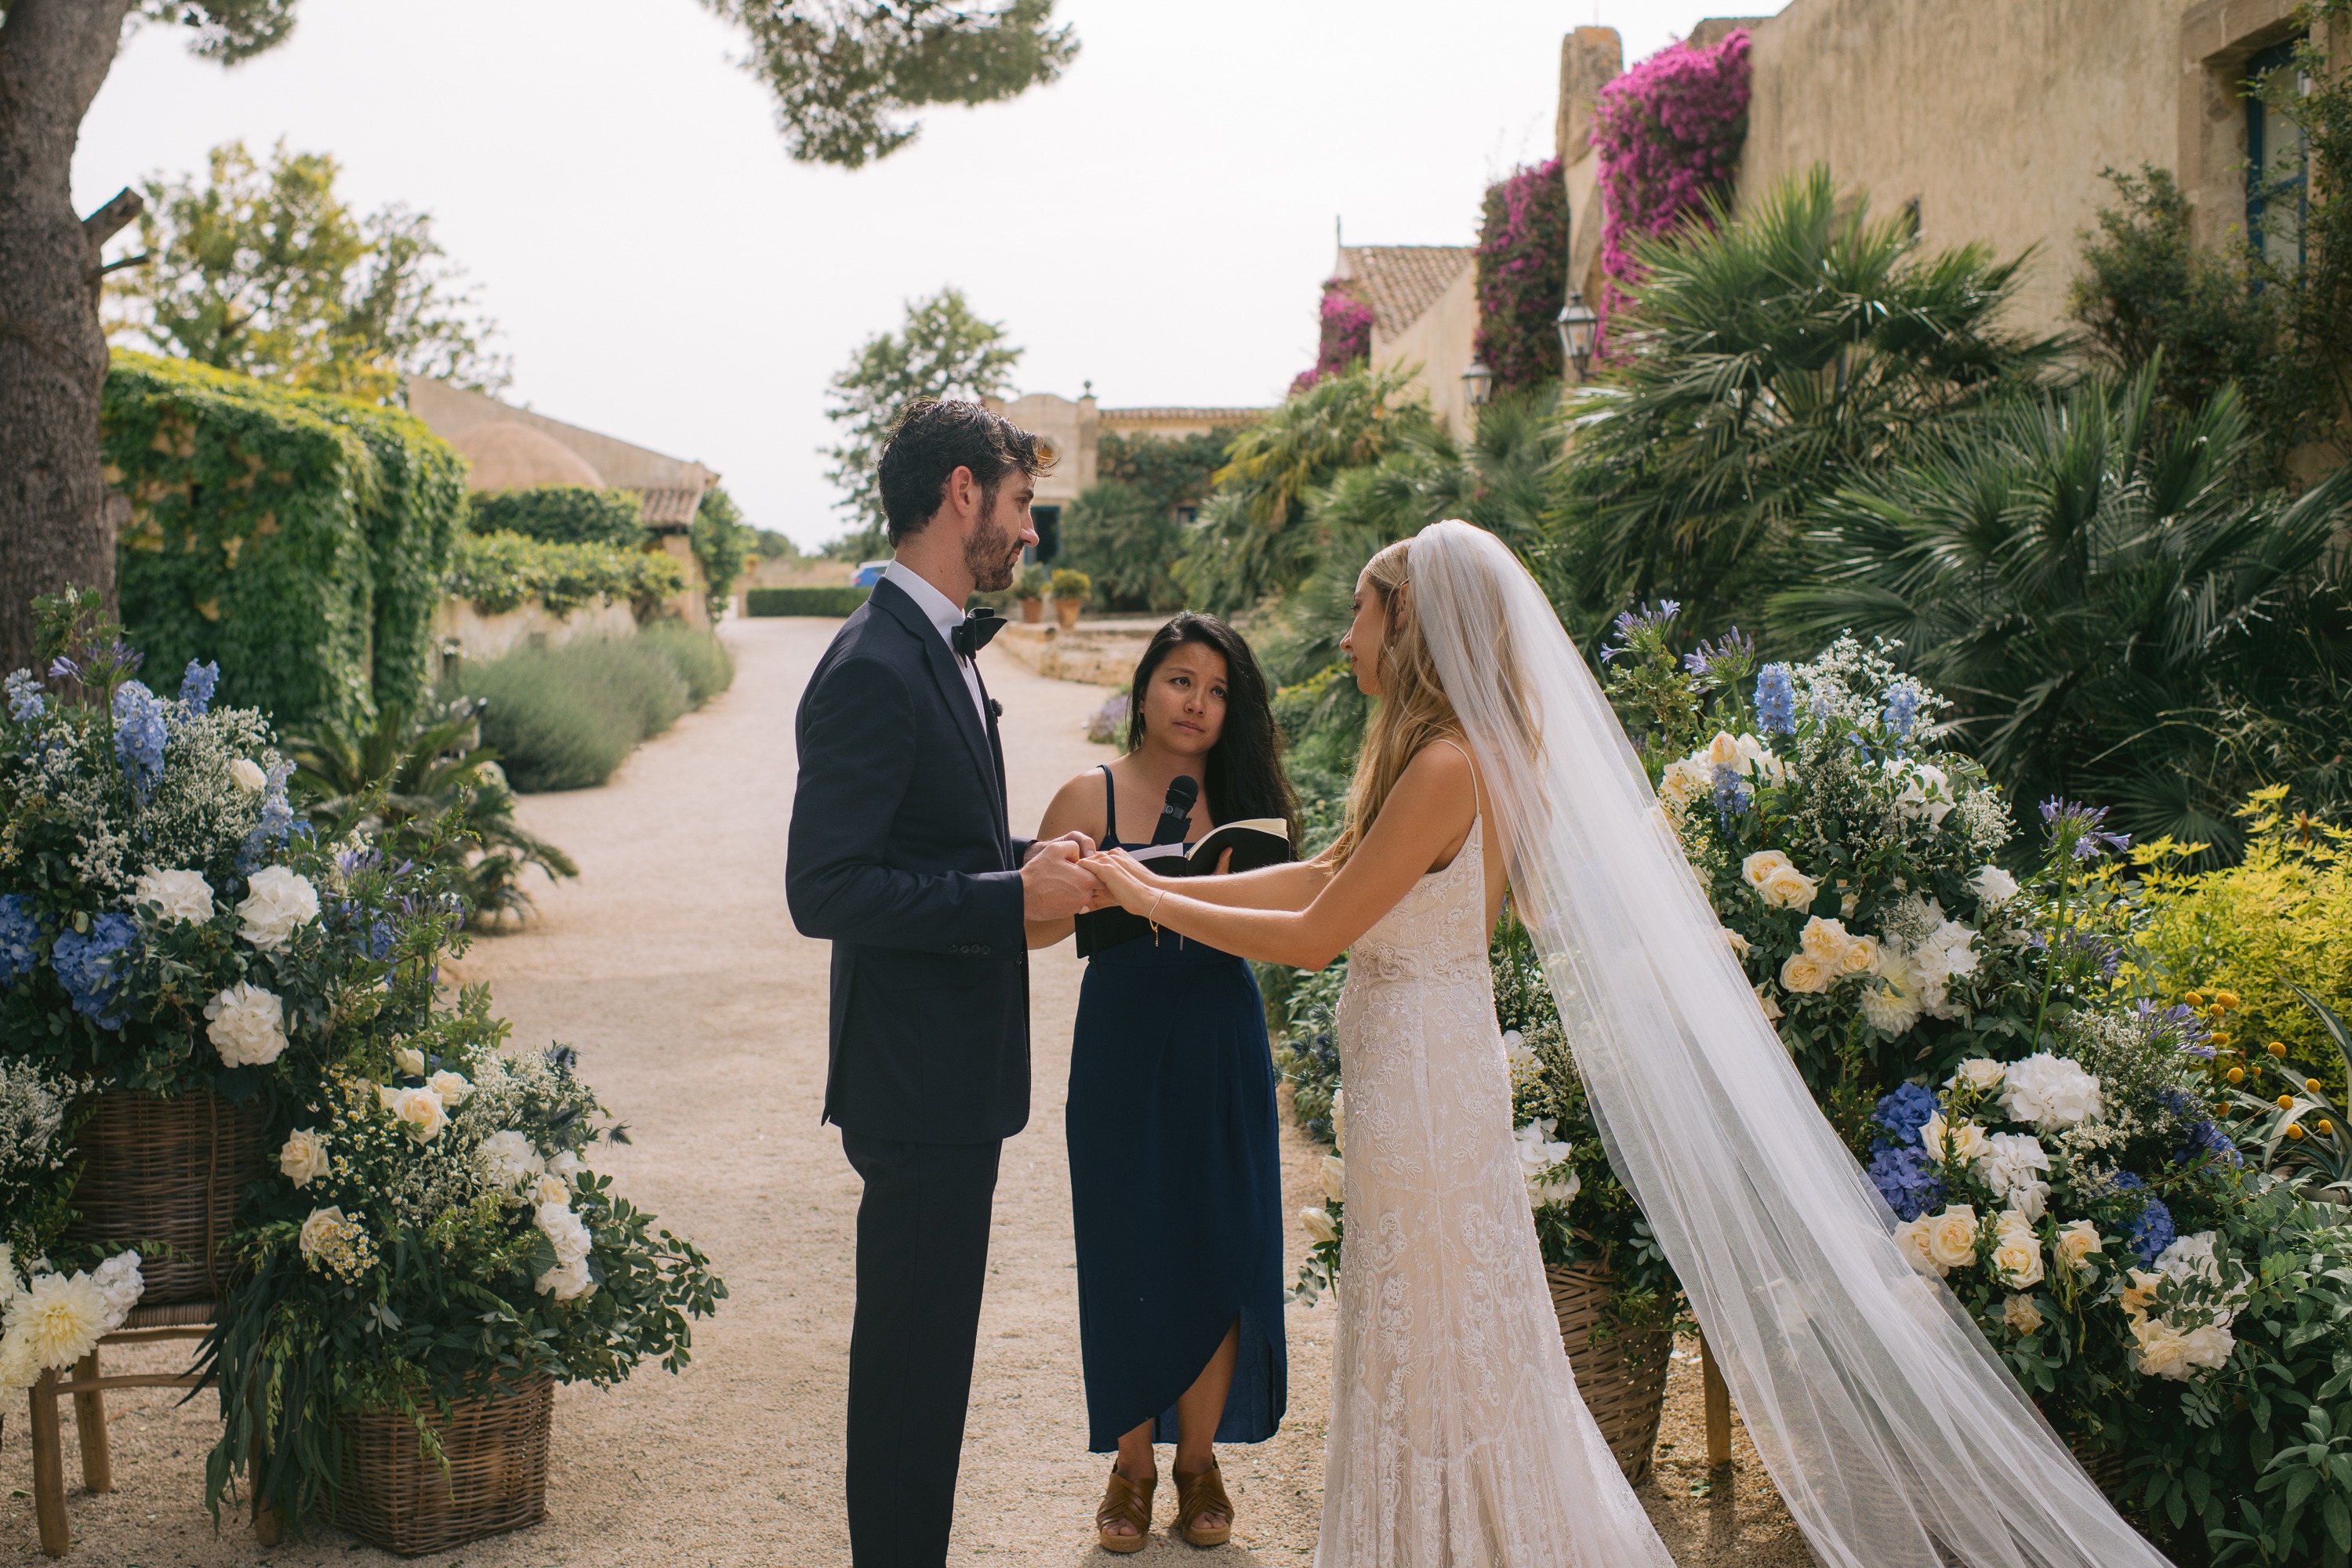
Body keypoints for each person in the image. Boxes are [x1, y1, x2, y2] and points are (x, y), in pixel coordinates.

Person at [1081, 521, 2174, 1568]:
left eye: (1362, 619)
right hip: (1416, 1066)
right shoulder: (1441, 752)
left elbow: (1321, 937)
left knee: (1441, 1335)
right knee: (1435, 1326)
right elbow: (1327, 875)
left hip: (1424, 1077)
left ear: (1409, 627)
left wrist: (1149, 899)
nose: (1347, 640)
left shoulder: (1449, 767)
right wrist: (1158, 878)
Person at [786, 398, 1104, 1568]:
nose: (1032, 534)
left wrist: (1027, 861)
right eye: (1023, 506)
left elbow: (925, 848)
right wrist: (1002, 902)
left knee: (929, 1367)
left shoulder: (937, 643)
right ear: (963, 492)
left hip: (947, 1076)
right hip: (914, 1085)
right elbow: (825, 890)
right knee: (912, 1374)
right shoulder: (875, 661)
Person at [1029, 613, 1293, 1553]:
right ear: (1143, 688)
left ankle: (1199, 1459)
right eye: (1182, 680)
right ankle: (1132, 1463)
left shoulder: (1247, 802)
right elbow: (1026, 930)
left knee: (1223, 1236)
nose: (1199, 702)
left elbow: (1295, 917)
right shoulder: (1086, 792)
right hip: (1122, 1035)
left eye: (1218, 690)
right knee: (1125, 1237)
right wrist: (1084, 886)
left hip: (1219, 1028)